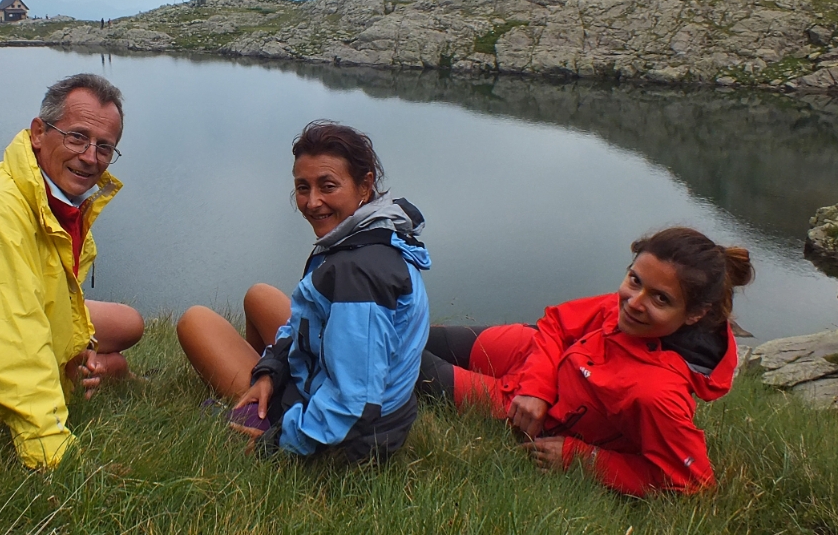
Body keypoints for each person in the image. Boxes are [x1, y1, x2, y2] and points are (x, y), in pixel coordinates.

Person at [0, 73, 144, 470]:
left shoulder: (50, 191)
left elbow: (48, 292)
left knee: (129, 324)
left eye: (105, 147)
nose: (90, 157)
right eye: (76, 137)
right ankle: (87, 375)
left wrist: (76, 347)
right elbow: (16, 345)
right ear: (39, 132)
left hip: (23, 320)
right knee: (113, 367)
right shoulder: (2, 210)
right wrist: (54, 456)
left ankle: (88, 367)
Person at [417, 227, 753, 497]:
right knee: (408, 332)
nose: (634, 302)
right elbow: (557, 323)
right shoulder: (630, 311)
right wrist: (537, 387)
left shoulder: (658, 393)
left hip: (514, 406)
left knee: (394, 355)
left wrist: (583, 458)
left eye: (660, 299)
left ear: (695, 314)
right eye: (635, 280)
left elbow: (693, 481)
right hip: (531, 357)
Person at [177, 121, 432, 462]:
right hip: (368, 404)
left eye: (328, 186)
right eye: (303, 187)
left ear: (365, 185)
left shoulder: (358, 273)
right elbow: (306, 322)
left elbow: (354, 403)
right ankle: (263, 390)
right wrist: (270, 370)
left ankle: (260, 418)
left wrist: (279, 443)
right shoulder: (373, 230)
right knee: (260, 295)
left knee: (195, 322)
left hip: (351, 437)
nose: (313, 202)